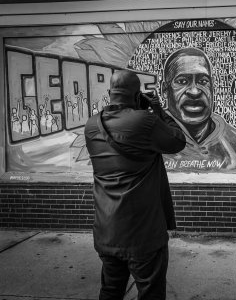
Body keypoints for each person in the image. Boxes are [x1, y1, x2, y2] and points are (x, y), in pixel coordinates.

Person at [84, 69, 186, 300]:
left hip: (107, 230)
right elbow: (178, 141)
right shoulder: (145, 121)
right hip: (143, 234)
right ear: (137, 95)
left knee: (110, 291)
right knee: (151, 293)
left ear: (110, 93)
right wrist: (159, 111)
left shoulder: (91, 126)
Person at [161, 47, 236, 172]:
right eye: (182, 81)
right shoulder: (147, 139)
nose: (194, 91)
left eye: (203, 81)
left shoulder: (235, 141)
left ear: (212, 87)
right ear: (164, 90)